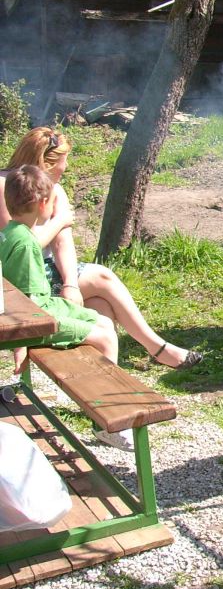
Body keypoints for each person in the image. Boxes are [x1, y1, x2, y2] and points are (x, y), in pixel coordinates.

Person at [0, 128, 202, 370]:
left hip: (48, 271)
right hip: (19, 279)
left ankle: (96, 376)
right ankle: (157, 349)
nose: (66, 168)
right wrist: (60, 220)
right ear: (46, 163)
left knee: (100, 305)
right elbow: (22, 245)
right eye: (64, 162)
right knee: (103, 278)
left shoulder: (55, 189)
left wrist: (70, 284)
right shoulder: (8, 186)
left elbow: (63, 243)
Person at [0, 165, 133, 450]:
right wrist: (21, 344)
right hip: (35, 317)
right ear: (42, 203)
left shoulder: (11, 232)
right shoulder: (25, 243)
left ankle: (103, 402)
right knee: (106, 336)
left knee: (102, 321)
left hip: (35, 310)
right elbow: (31, 302)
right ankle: (108, 421)